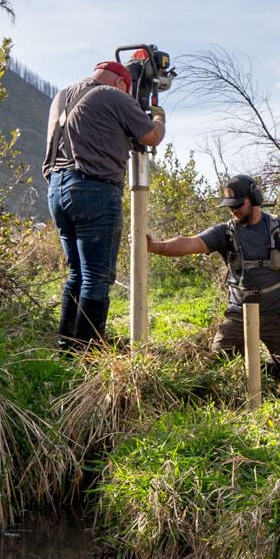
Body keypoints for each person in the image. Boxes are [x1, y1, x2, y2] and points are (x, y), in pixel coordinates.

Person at [144, 175, 280, 390]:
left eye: (238, 205)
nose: (234, 210)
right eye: (230, 206)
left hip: (278, 314)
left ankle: (272, 373)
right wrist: (154, 246)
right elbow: (188, 244)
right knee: (218, 368)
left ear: (255, 199)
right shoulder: (224, 232)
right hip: (239, 314)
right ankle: (255, 378)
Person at [45, 59, 165, 349]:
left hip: (57, 190)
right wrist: (158, 116)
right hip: (94, 189)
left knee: (76, 274)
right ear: (123, 84)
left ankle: (67, 347)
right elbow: (150, 136)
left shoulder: (61, 97)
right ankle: (89, 353)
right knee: (96, 277)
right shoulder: (111, 95)